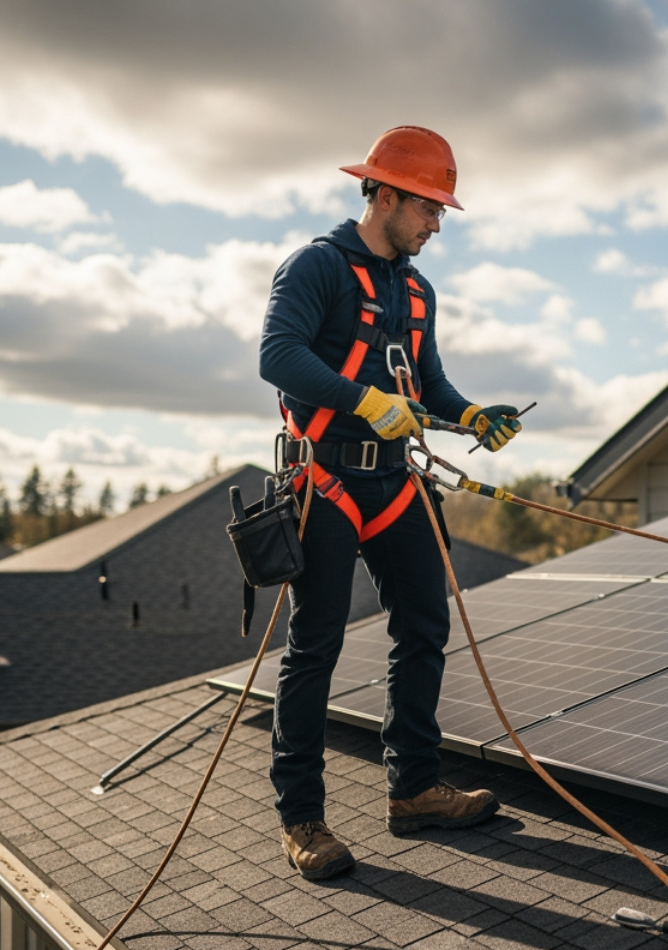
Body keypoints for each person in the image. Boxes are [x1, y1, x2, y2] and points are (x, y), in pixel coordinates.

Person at [258, 126, 522, 880]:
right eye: (429, 208)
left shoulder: (415, 288)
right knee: (316, 647)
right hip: (327, 478)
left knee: (424, 625)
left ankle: (413, 790)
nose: (437, 224)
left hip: (395, 479)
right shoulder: (317, 267)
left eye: (440, 211)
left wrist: (470, 415)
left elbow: (427, 383)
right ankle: (301, 819)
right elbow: (278, 357)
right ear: (385, 194)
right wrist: (363, 401)